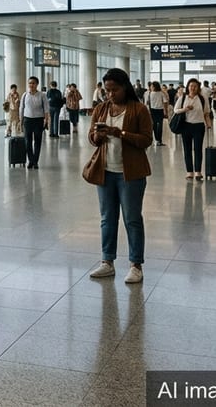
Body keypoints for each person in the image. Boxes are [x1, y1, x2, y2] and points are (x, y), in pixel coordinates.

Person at [87, 68, 153, 284]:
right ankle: (107, 261)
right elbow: (91, 137)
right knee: (107, 218)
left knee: (132, 219)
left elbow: (146, 140)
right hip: (105, 171)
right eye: (107, 90)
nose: (110, 94)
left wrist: (120, 134)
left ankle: (136, 264)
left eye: (115, 89)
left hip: (131, 174)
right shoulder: (101, 109)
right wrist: (97, 136)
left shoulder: (139, 109)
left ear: (125, 87)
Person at [173, 78, 212, 180]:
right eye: (191, 86)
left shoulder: (203, 98)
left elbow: (206, 113)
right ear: (188, 87)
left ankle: (198, 171)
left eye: (195, 86)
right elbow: (176, 110)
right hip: (186, 126)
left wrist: (209, 124)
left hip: (199, 126)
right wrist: (185, 109)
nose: (193, 88)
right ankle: (189, 172)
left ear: (198, 87)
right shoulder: (183, 98)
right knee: (187, 149)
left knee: (198, 149)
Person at [20, 76, 51, 169]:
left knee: (37, 141)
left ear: (37, 84)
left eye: (33, 83)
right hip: (27, 120)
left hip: (38, 120)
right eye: (30, 83)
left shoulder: (42, 95)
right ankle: (30, 160)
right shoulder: (25, 95)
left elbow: (46, 109)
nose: (31, 85)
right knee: (27, 142)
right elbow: (21, 108)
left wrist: (46, 120)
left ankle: (36, 161)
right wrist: (20, 121)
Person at [144, 81, 167, 145]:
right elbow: (165, 102)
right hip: (159, 110)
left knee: (154, 125)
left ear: (154, 86)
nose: (151, 87)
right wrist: (165, 111)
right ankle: (159, 140)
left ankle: (157, 140)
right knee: (160, 125)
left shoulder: (149, 94)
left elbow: (146, 103)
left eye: (151, 86)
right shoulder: (161, 93)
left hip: (152, 111)